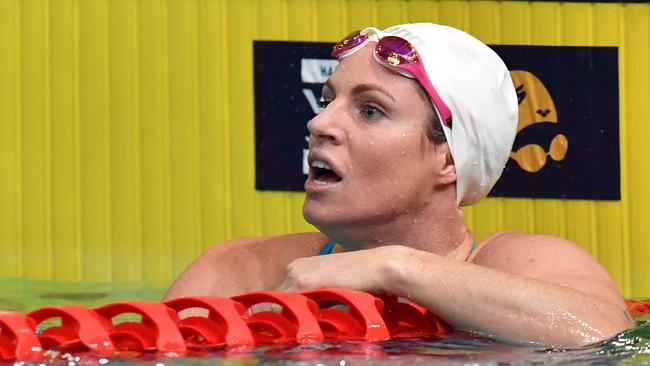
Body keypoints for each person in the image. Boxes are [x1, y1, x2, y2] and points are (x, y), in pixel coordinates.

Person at [164, 23, 633, 346]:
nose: (320, 122)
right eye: (328, 100)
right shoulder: (238, 274)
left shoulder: (519, 265)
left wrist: (395, 267)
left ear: (448, 159)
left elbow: (609, 334)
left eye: (370, 110)